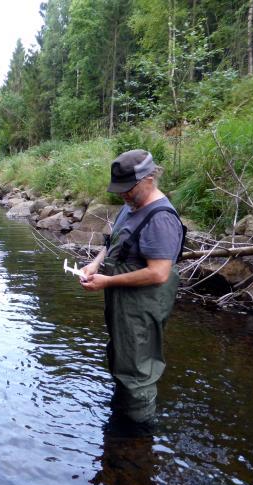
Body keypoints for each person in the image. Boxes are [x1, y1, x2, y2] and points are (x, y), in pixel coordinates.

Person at [80, 149, 184, 424]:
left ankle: (138, 435)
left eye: (128, 188)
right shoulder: (130, 207)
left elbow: (159, 273)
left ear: (149, 178)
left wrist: (108, 281)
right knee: (122, 358)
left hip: (143, 307)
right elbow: (114, 244)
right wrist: (95, 265)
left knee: (138, 370)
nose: (122, 194)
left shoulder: (161, 219)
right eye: (119, 189)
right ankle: (123, 415)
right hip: (123, 304)